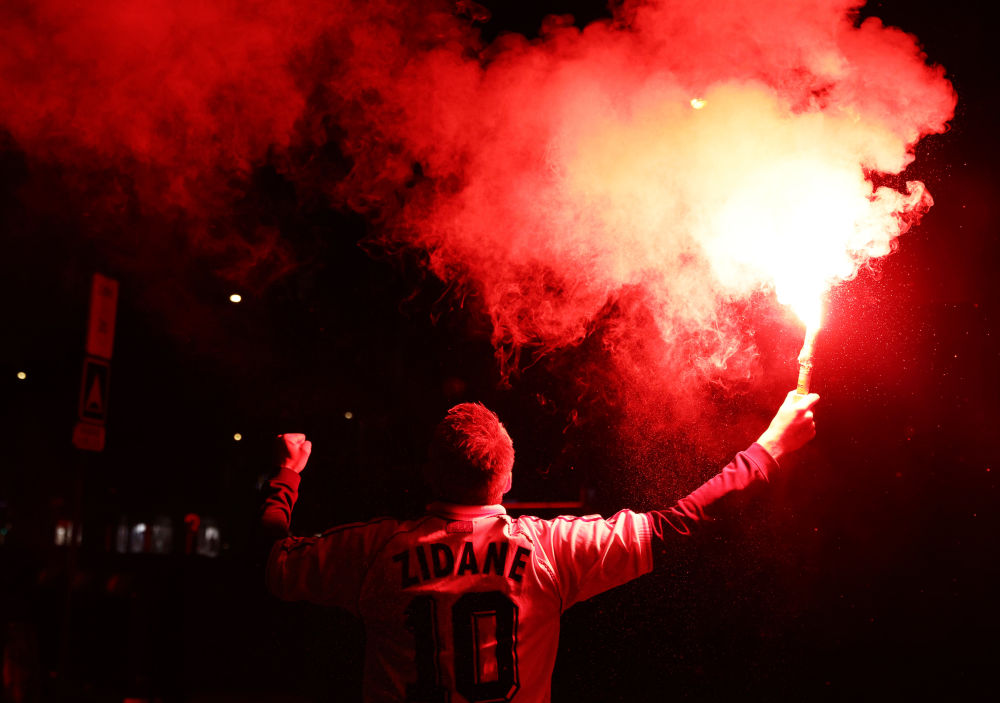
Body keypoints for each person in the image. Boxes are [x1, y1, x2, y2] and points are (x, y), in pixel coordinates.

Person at [259, 391, 819, 702]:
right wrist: (768, 447)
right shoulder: (551, 549)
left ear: (429, 474)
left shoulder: (373, 552)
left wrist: (287, 476)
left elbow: (270, 561)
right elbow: (677, 526)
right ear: (507, 479)